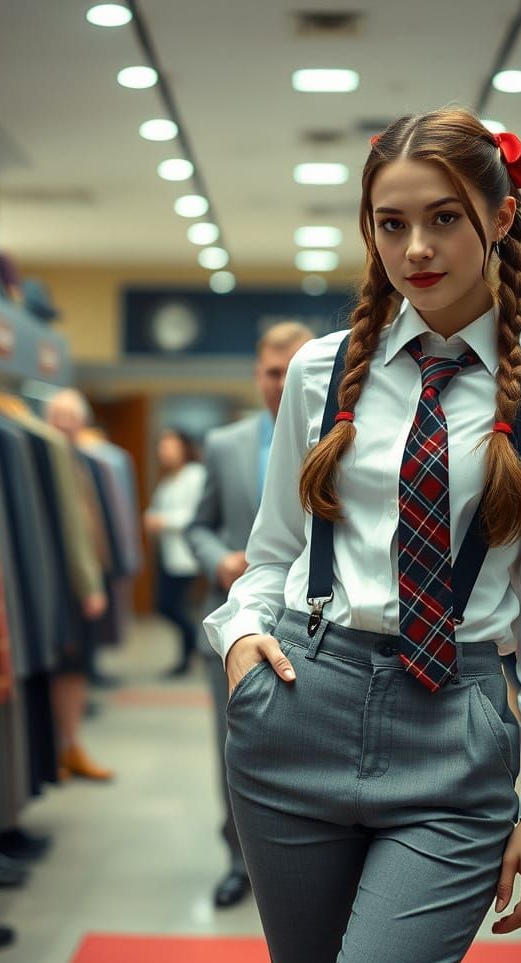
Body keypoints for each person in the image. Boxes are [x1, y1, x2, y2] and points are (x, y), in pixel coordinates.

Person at [204, 107, 521, 963]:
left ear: (500, 218)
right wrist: (239, 645)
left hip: (455, 735)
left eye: (445, 218)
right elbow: (269, 555)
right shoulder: (319, 372)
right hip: (298, 711)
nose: (415, 248)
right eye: (391, 223)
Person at [187, 321, 315, 909]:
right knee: (234, 743)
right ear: (257, 375)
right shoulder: (225, 445)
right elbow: (198, 525)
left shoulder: (344, 435)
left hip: (316, 627)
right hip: (239, 619)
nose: (282, 383)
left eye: (293, 371)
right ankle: (240, 859)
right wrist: (219, 561)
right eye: (271, 372)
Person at [45, 388, 114, 782]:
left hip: (83, 582)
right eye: (57, 417)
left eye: (71, 418)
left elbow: (91, 528)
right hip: (60, 584)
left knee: (77, 668)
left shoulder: (85, 463)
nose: (64, 425)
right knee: (64, 667)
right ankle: (61, 748)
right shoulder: (46, 460)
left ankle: (71, 746)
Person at [143, 428, 206, 676]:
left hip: (186, 555)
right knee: (169, 605)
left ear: (184, 447)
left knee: (171, 606)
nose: (163, 451)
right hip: (168, 553)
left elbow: (195, 514)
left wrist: (163, 521)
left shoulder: (195, 475)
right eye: (161, 446)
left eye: (168, 445)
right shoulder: (168, 479)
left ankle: (192, 647)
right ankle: (187, 653)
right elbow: (154, 509)